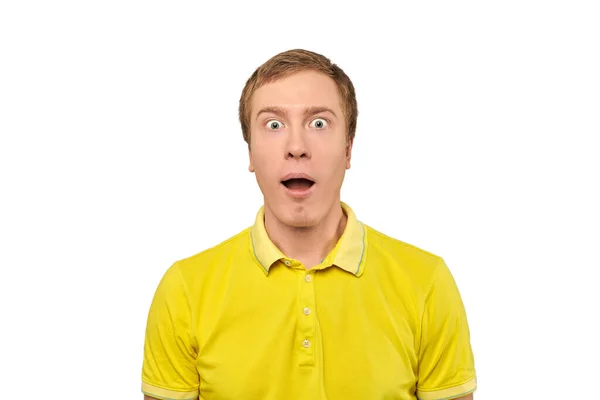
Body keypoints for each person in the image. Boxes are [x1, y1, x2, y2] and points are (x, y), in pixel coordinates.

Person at [141, 49, 477, 400]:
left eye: (319, 123)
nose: (297, 146)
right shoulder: (184, 290)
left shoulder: (427, 283)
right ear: (251, 153)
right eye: (273, 124)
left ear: (348, 149)